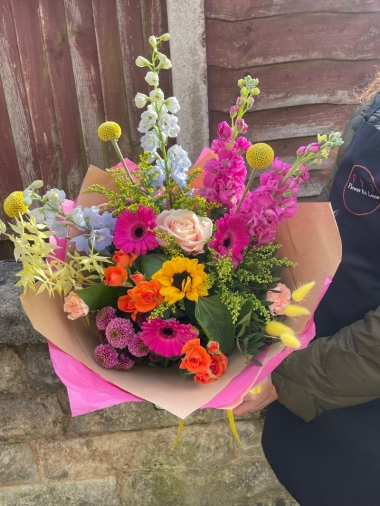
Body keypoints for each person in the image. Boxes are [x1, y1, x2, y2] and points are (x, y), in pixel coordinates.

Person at [233, 87, 380, 506]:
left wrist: (285, 380)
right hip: (316, 375)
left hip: (360, 406)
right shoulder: (377, 106)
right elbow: (338, 230)